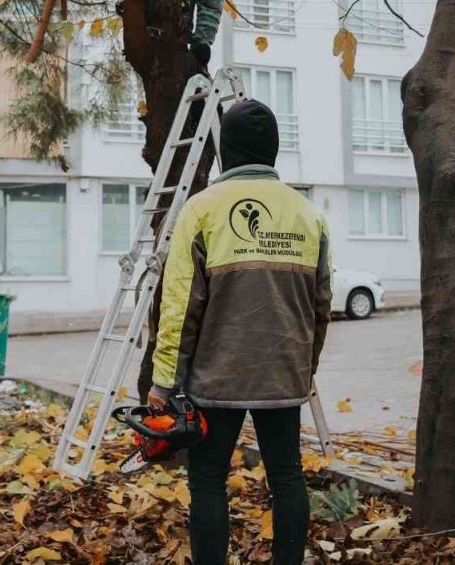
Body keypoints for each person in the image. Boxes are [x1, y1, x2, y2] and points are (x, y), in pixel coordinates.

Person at [150, 99, 332, 565]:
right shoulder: (308, 215)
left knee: (208, 480)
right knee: (287, 477)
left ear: (225, 150)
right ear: (273, 149)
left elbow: (179, 308)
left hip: (216, 379)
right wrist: (304, 370)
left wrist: (164, 382)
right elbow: (320, 308)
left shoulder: (201, 210)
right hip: (283, 376)